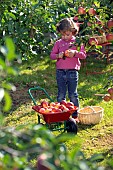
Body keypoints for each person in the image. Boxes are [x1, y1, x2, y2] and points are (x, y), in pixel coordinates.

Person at [50, 18, 87, 121]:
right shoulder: (58, 43)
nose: (65, 37)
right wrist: (58, 55)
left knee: (73, 94)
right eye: (62, 34)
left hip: (72, 72)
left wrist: (75, 53)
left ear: (73, 31)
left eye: (67, 34)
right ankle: (61, 115)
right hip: (60, 72)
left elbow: (83, 55)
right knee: (61, 94)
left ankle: (75, 116)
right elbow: (52, 56)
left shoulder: (78, 42)